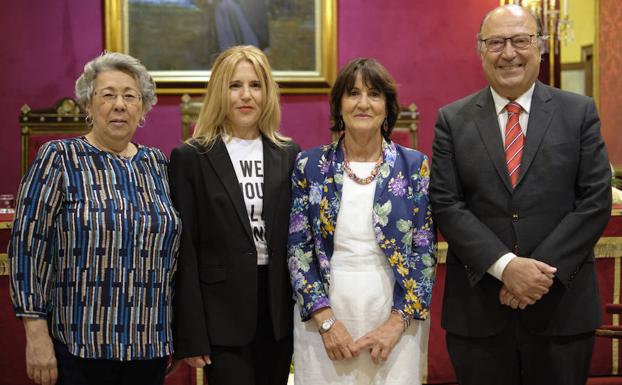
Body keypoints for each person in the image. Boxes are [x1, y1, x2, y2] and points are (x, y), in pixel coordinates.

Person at [430, 5, 611, 385]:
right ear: (481, 50)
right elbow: (447, 203)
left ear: (541, 47)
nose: (508, 52)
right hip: (480, 315)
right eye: (496, 42)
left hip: (561, 310)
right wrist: (506, 267)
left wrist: (535, 272)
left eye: (520, 40)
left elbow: (594, 199)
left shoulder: (578, 112)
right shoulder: (452, 119)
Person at [8, 52, 182, 385]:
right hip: (79, 347)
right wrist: (36, 335)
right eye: (108, 95)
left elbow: (176, 258)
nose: (120, 105)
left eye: (130, 96)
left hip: (150, 348)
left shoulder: (158, 164)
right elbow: (28, 247)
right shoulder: (59, 158)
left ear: (143, 108)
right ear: (89, 104)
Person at [288, 58, 436, 385]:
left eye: (374, 94)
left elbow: (424, 253)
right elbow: (299, 250)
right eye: (353, 93)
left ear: (387, 107)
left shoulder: (415, 167)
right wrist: (326, 321)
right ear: (339, 105)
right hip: (325, 310)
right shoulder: (309, 165)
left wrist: (397, 322)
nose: (364, 103)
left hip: (395, 310)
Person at [169, 45, 300, 385]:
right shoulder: (191, 157)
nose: (246, 96)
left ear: (267, 92)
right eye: (234, 85)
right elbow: (187, 252)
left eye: (255, 85)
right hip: (221, 315)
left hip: (277, 311)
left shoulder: (288, 153)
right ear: (218, 92)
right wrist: (191, 335)